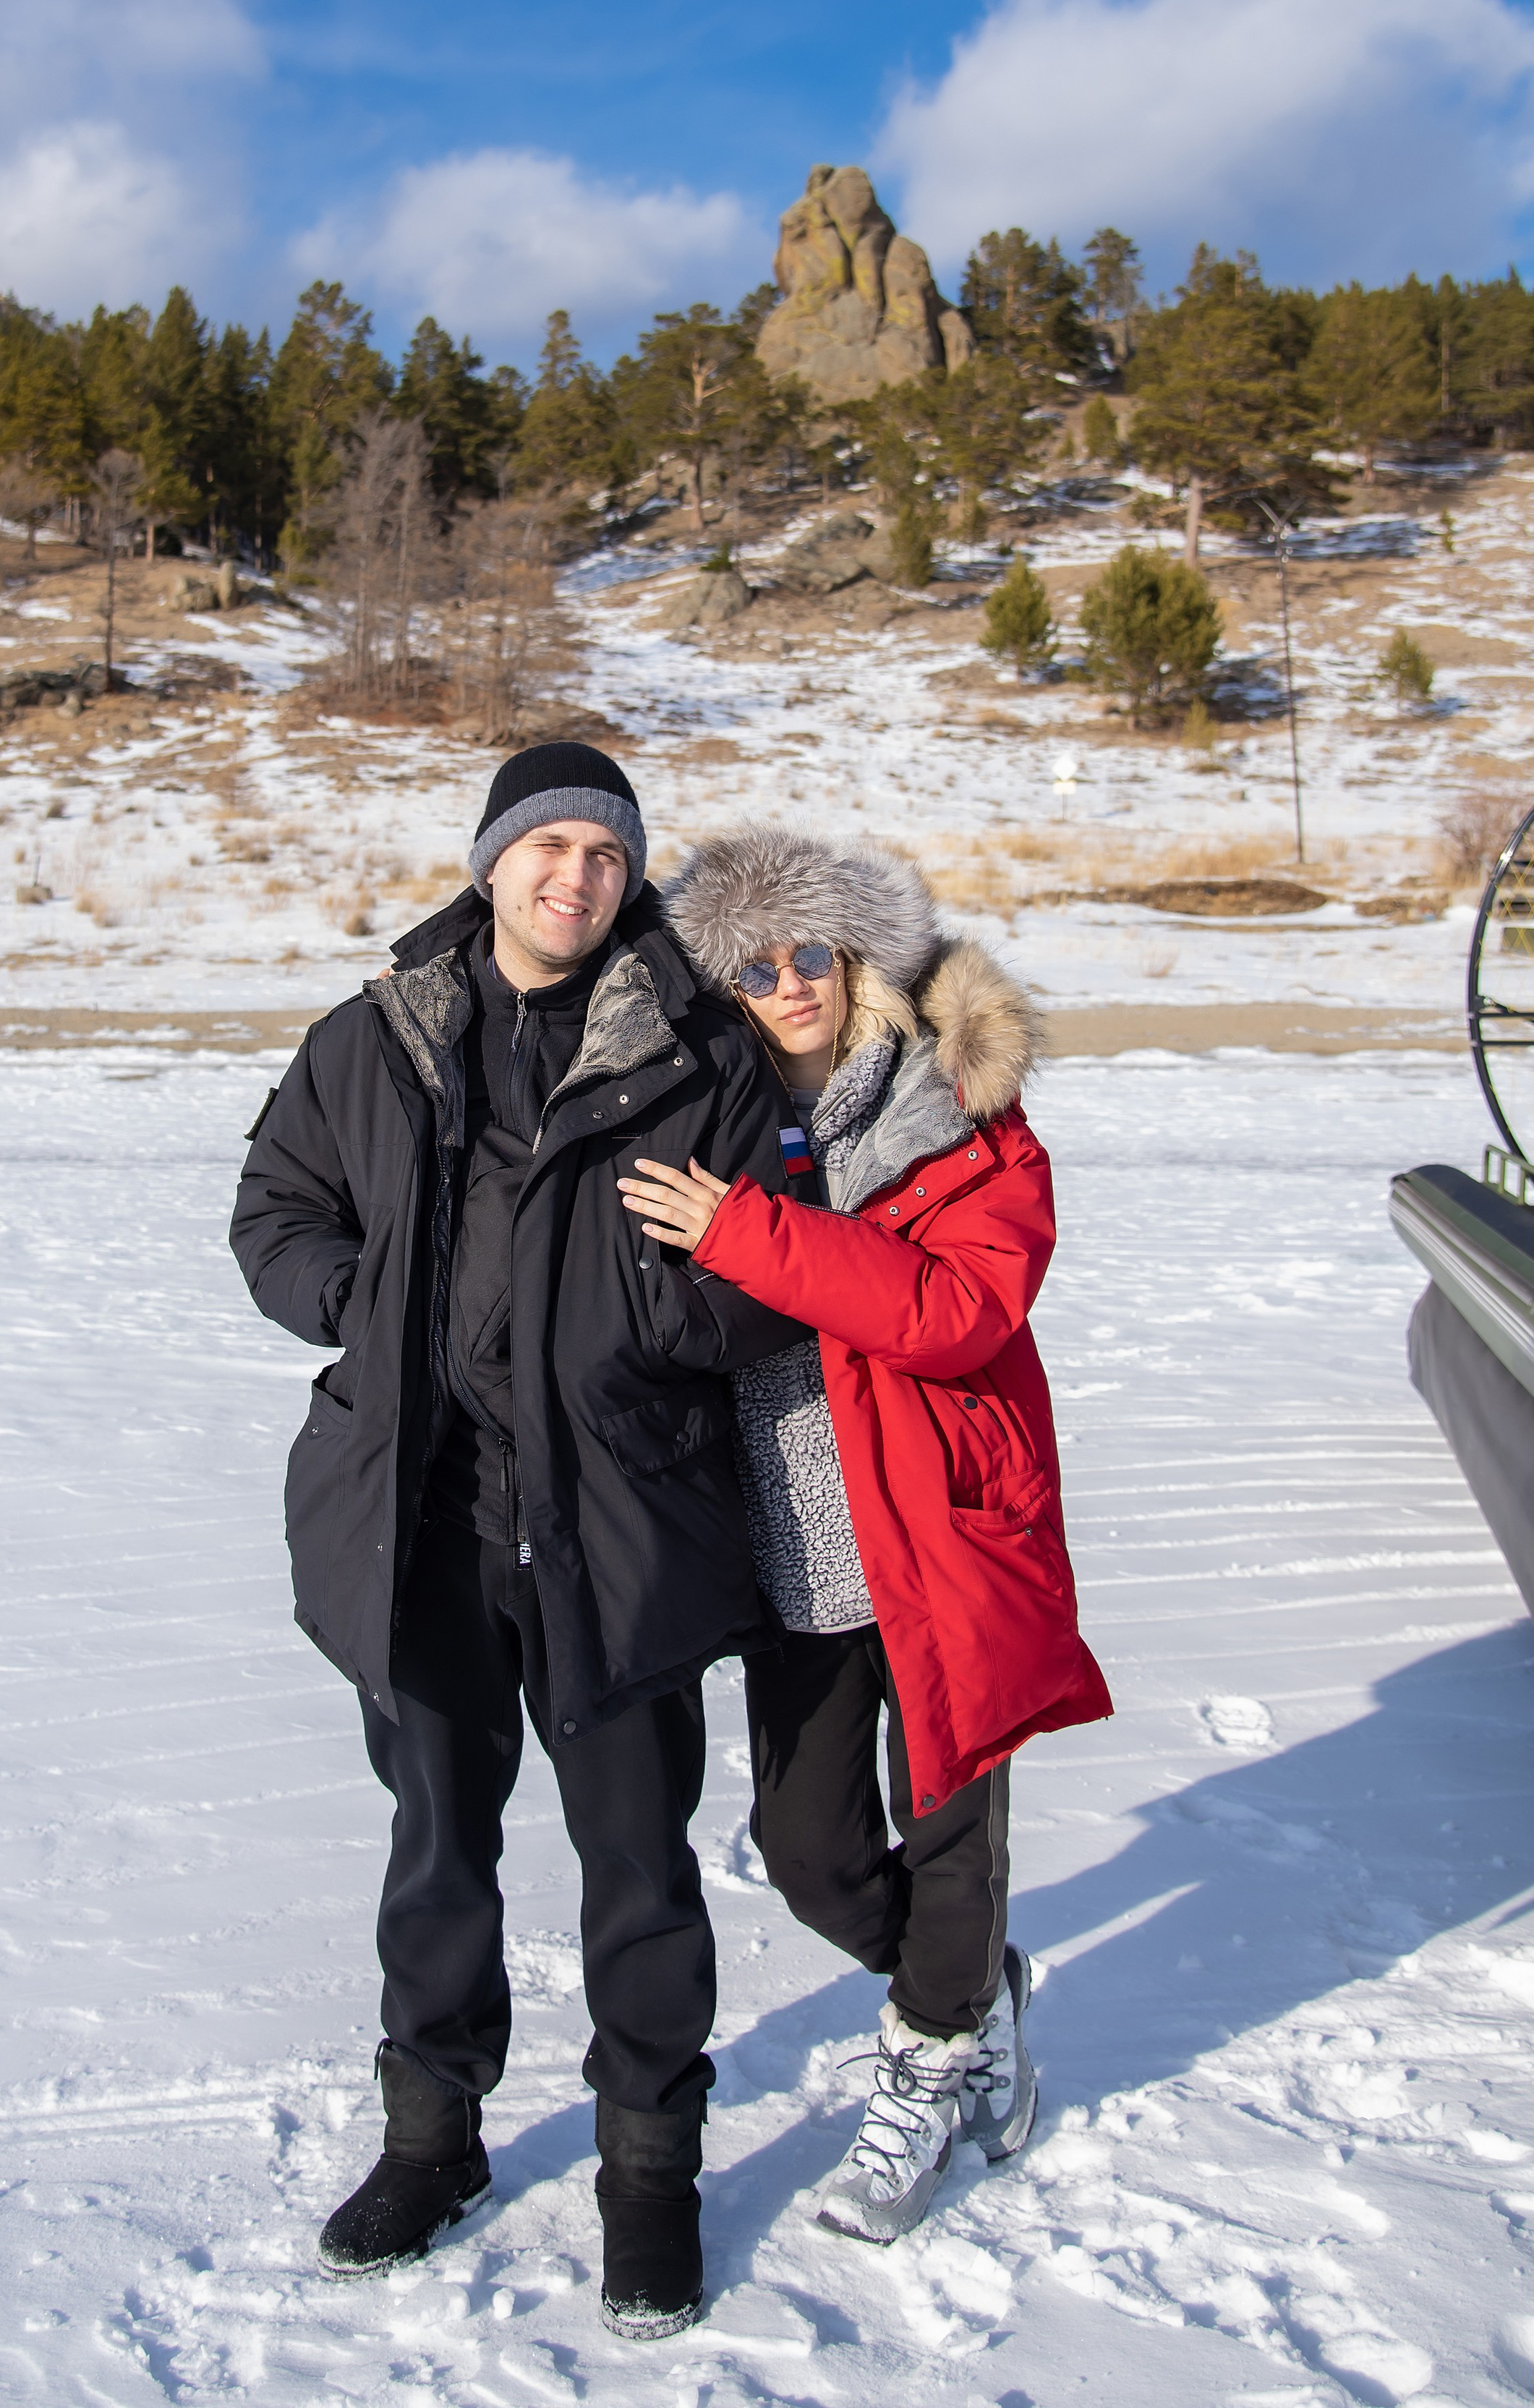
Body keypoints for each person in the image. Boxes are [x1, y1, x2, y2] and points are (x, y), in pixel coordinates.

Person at [230, 746, 806, 2339]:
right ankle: (432, 2140)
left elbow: (775, 1260)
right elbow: (275, 1210)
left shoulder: (699, 1053)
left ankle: (647, 2178)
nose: (574, 876)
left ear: (632, 877)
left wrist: (645, 1324)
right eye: (544, 844)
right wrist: (355, 1307)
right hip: (420, 1514)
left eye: (604, 853)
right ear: (488, 863)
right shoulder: (375, 1038)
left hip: (618, 1511)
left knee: (637, 1862)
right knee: (435, 1851)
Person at [617, 826, 1111, 2246]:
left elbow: (957, 1311)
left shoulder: (960, 1108)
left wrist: (749, 1238)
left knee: (951, 1828)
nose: (789, 983)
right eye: (754, 964)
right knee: (807, 1840)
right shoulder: (706, 1127)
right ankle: (964, 1992)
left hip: (948, 1524)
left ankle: (932, 2058)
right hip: (797, 1548)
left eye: (811, 954)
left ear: (860, 961)